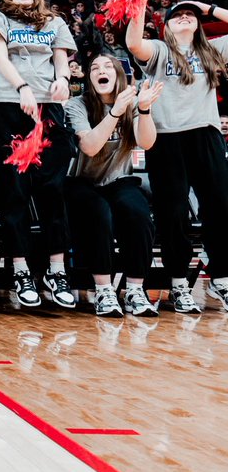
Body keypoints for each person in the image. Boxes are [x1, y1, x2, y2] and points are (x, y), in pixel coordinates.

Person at [0, 0, 78, 309]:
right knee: (14, 193)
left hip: (47, 108)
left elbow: (61, 60)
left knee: (52, 190)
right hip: (7, 107)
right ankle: (21, 270)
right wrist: (21, 86)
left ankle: (56, 270)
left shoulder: (54, 22)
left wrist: (64, 81)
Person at [126, 0, 228, 313]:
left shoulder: (213, 50)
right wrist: (138, 7)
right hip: (166, 136)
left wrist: (208, 8)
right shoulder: (159, 50)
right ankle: (179, 283)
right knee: (173, 213)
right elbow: (133, 43)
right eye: (178, 15)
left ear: (198, 24)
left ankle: (221, 281)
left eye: (190, 15)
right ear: (167, 25)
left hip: (206, 133)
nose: (185, 17)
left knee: (220, 208)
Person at [65, 55, 164, 317]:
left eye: (108, 67)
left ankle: (134, 290)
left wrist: (143, 110)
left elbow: (147, 142)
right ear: (90, 78)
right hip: (82, 182)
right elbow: (90, 146)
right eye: (95, 68)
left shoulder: (131, 103)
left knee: (138, 213)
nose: (101, 71)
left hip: (119, 180)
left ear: (119, 75)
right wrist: (115, 112)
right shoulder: (77, 105)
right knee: (99, 213)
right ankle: (104, 291)